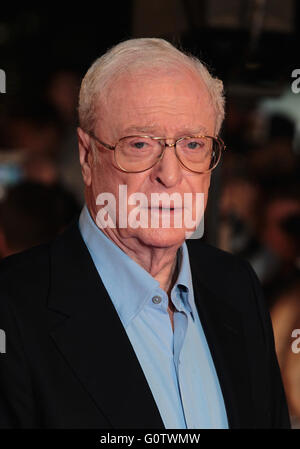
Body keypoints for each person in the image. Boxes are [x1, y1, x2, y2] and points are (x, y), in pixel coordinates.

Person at [0, 38, 290, 429]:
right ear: (87, 156)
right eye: (139, 144)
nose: (170, 176)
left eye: (192, 144)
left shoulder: (237, 286)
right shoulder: (13, 308)